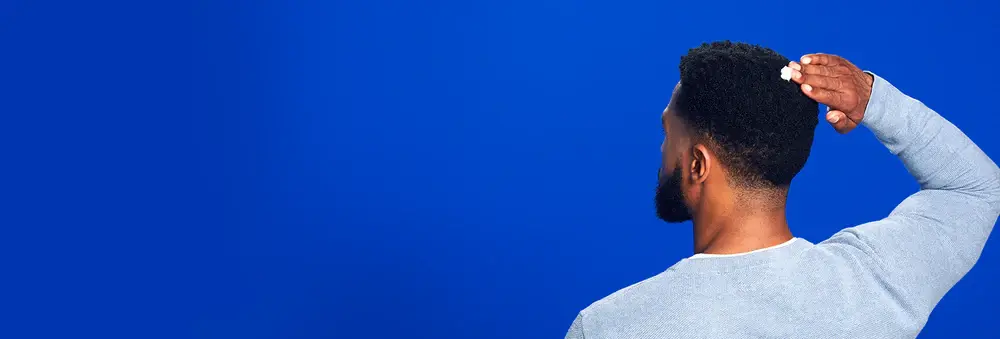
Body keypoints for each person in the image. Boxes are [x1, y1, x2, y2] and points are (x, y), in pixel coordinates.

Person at [565, 41, 1000, 338]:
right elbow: (974, 188)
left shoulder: (615, 326)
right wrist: (871, 99)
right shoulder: (873, 284)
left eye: (667, 133)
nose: (662, 151)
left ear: (698, 165)